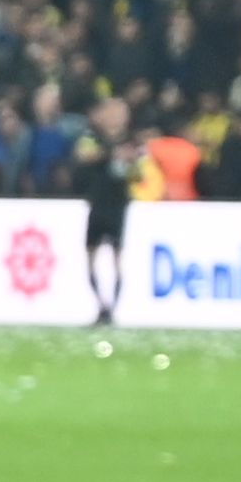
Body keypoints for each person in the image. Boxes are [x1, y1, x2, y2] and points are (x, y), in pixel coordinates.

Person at [77, 94, 136, 324]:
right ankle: (101, 305)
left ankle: (113, 309)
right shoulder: (92, 136)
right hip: (96, 203)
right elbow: (84, 155)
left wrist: (132, 161)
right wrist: (111, 153)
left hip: (118, 204)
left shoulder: (132, 140)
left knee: (117, 258)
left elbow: (140, 170)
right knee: (90, 257)